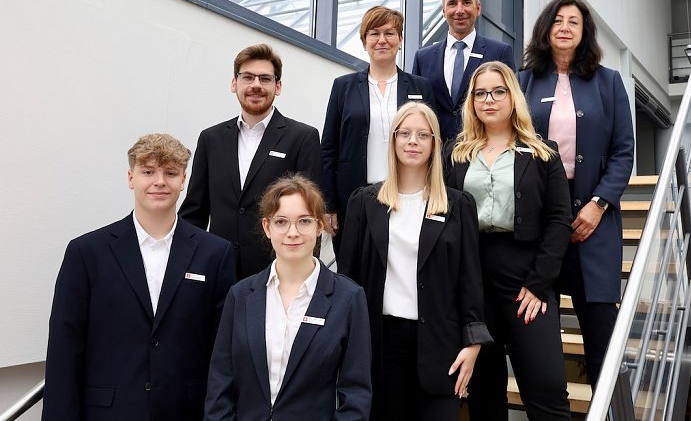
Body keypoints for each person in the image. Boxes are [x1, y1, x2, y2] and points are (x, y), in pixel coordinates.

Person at [43, 134, 236, 421]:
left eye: (170, 173)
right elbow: (64, 349)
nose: (159, 181)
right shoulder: (87, 253)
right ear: (131, 178)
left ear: (184, 180)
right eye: (148, 171)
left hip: (186, 411)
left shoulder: (215, 253)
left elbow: (223, 350)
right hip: (108, 413)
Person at [339, 102, 491, 421]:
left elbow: (470, 280)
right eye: (405, 133)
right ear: (393, 140)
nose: (413, 141)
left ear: (435, 143)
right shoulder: (364, 202)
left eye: (423, 135)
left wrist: (473, 343)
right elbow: (348, 280)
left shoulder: (458, 206)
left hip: (441, 347)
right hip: (380, 347)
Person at [444, 61, 573, 420]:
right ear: (471, 101)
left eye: (498, 91)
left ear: (513, 97)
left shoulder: (542, 152)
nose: (489, 100)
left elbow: (559, 219)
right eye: (480, 93)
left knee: (545, 389)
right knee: (484, 393)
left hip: (527, 281)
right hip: (471, 279)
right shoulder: (455, 153)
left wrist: (540, 283)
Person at [518, 0, 634, 389]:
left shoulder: (608, 81)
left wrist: (599, 204)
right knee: (538, 327)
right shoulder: (523, 81)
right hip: (539, 215)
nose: (566, 27)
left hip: (594, 216)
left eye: (575, 22)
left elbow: (623, 151)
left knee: (600, 326)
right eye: (558, 21)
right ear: (546, 29)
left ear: (584, 33)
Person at [205, 175, 372, 420]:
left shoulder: (348, 298)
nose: (292, 232)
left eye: (304, 221)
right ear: (266, 227)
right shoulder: (240, 295)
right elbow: (220, 383)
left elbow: (356, 394)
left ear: (319, 227)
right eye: (281, 222)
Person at [180, 43, 322, 280]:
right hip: (217, 273)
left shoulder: (303, 137)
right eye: (248, 77)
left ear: (278, 87)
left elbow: (311, 214)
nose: (256, 85)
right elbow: (195, 211)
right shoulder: (211, 139)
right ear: (234, 83)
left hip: (276, 274)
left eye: (265, 79)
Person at [321, 6, 435, 254]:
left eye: (390, 33)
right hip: (354, 198)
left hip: (409, 198)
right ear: (364, 41)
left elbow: (434, 144)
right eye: (374, 33)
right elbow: (328, 148)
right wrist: (328, 205)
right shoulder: (344, 87)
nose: (382, 40)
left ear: (400, 40)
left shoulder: (421, 87)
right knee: (354, 273)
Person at [412, 0, 515, 141]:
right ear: (443, 11)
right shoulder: (423, 57)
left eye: (466, 2)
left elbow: (512, 104)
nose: (459, 10)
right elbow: (415, 109)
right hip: (436, 154)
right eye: (452, 3)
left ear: (478, 8)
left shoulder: (500, 52)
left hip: (483, 148)